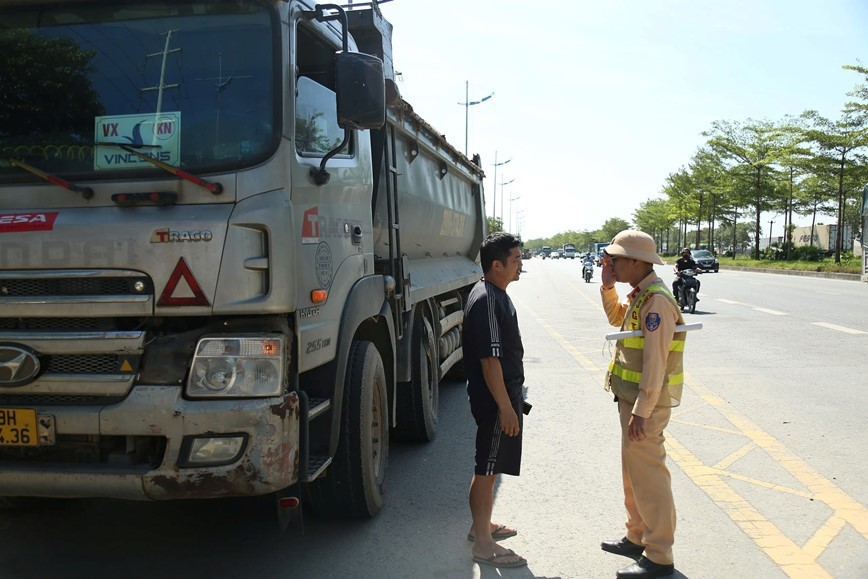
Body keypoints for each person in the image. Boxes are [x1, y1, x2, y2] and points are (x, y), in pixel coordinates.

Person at [598, 230, 687, 578]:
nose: (611, 263)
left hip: (644, 406)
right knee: (633, 473)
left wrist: (641, 411)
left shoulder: (657, 302)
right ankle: (637, 535)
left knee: (650, 478)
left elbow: (656, 363)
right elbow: (616, 318)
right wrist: (607, 286)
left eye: (616, 259)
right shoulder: (641, 295)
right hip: (632, 402)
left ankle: (660, 555)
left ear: (637, 261)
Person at [462, 231, 527, 569]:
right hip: (493, 399)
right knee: (486, 468)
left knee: (490, 464)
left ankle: (481, 526)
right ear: (497, 265)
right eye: (515, 259)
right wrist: (505, 407)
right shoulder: (487, 299)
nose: (520, 264)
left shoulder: (496, 293)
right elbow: (490, 361)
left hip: (502, 395)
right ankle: (483, 545)